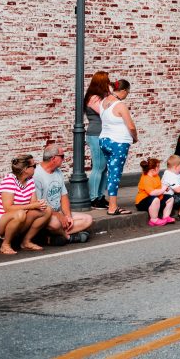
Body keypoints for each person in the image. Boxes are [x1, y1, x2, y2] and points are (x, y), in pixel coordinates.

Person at [0, 153, 51, 255]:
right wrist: (33, 206)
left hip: (17, 217)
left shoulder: (30, 180)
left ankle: (26, 241)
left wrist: (39, 204)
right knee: (20, 214)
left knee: (46, 210)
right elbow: (8, 208)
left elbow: (33, 203)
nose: (35, 168)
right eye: (34, 166)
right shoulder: (9, 181)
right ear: (26, 169)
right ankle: (5, 245)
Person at [32, 143, 93, 245]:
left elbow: (64, 197)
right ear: (53, 158)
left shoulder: (58, 172)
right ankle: (68, 237)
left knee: (88, 219)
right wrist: (58, 216)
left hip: (58, 213)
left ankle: (51, 237)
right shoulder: (37, 175)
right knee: (55, 223)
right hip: (44, 215)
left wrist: (68, 216)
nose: (64, 159)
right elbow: (38, 205)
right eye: (62, 156)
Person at [98, 78, 137, 216]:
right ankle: (112, 207)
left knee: (111, 172)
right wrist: (135, 137)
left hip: (104, 140)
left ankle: (112, 204)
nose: (127, 95)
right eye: (128, 92)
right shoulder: (120, 105)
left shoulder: (103, 102)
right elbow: (131, 126)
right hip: (118, 142)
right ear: (123, 91)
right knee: (115, 175)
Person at [84, 71, 112, 209]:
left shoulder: (102, 97)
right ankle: (93, 198)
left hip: (104, 134)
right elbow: (104, 113)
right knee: (99, 166)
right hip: (96, 134)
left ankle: (100, 196)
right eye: (107, 81)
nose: (109, 83)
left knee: (104, 168)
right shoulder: (94, 98)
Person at [134, 157, 175, 226]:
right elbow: (152, 193)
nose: (159, 169)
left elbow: (158, 186)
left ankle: (166, 217)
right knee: (155, 199)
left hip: (156, 199)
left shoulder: (156, 176)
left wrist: (164, 187)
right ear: (153, 170)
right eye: (158, 167)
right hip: (142, 202)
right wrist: (163, 189)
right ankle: (154, 219)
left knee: (170, 198)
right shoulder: (146, 179)